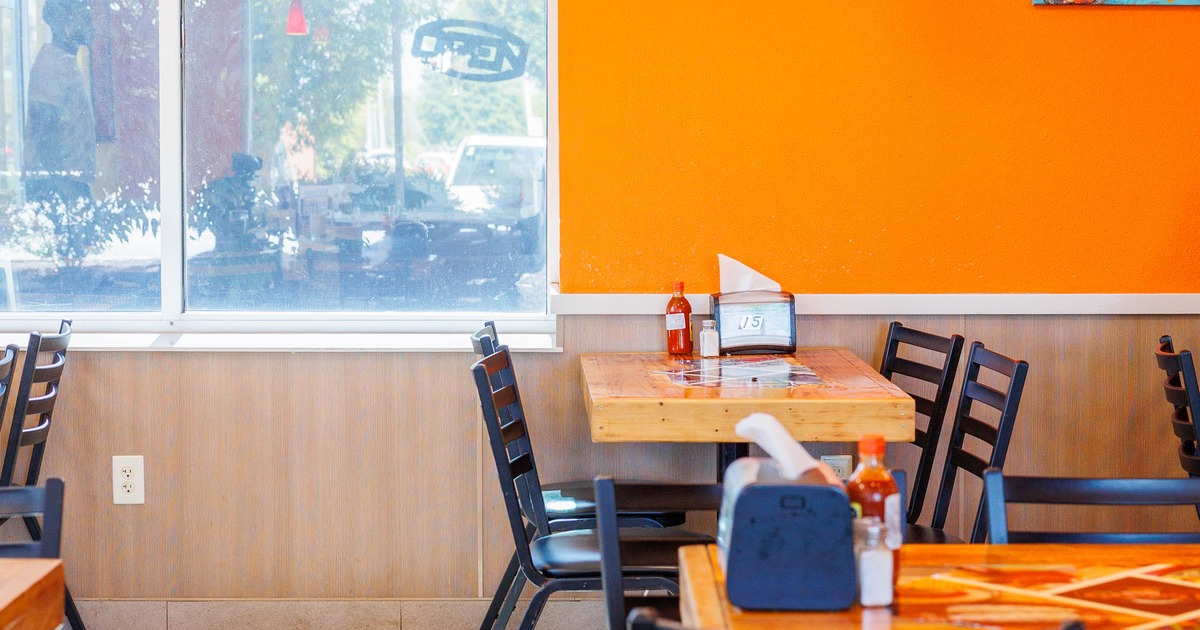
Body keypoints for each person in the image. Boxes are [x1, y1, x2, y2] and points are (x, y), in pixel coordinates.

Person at [23, 0, 96, 207]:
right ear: (66, 23)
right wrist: (66, 190)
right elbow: (43, 132)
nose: (92, 26)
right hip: (56, 186)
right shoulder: (51, 65)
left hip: (65, 182)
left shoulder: (65, 62)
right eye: (85, 17)